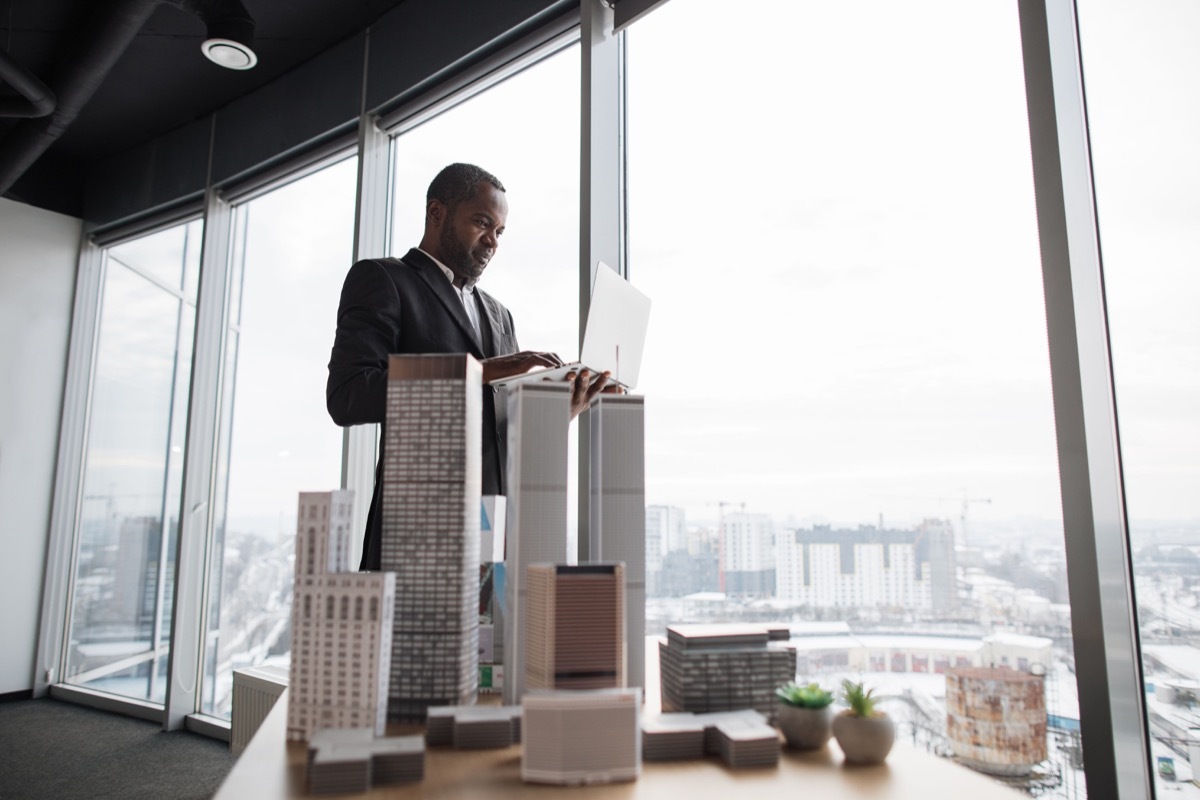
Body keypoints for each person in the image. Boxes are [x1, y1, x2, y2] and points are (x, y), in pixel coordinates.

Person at [326, 162, 609, 571]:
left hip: (498, 543)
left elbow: (501, 431)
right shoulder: (384, 279)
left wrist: (558, 413)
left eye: (499, 231)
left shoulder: (499, 314)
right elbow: (349, 395)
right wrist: (479, 371)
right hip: (417, 539)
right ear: (437, 212)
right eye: (482, 222)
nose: (492, 240)